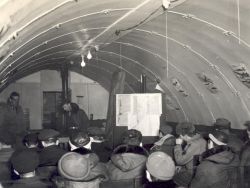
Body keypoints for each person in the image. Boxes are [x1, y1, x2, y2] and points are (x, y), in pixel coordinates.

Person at [173, 122, 207, 187]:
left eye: (180, 135)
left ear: (183, 134)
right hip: (198, 171)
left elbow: (179, 161)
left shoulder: (193, 144)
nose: (180, 137)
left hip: (194, 174)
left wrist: (178, 145)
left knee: (173, 178)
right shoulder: (201, 140)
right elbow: (191, 158)